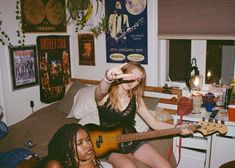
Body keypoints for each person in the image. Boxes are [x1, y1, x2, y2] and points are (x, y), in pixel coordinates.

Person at [95, 62, 192, 168]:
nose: (132, 81)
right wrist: (107, 78)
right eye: (131, 74)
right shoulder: (105, 96)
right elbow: (100, 90)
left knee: (165, 166)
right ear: (123, 73)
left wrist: (177, 127)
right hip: (110, 144)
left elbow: (154, 123)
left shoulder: (136, 99)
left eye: (137, 79)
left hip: (132, 139)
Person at [36, 123, 102, 168]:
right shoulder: (55, 165)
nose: (88, 145)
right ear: (68, 150)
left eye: (88, 139)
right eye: (80, 143)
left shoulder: (91, 160)